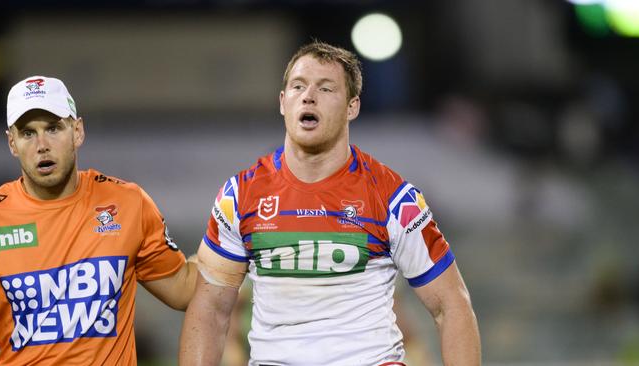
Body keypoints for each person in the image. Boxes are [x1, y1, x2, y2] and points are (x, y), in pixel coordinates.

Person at [179, 41, 481, 365]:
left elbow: (451, 305)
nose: (308, 96)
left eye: (325, 88)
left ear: (352, 107)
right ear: (283, 102)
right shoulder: (239, 196)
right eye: (298, 86)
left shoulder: (393, 198)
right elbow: (210, 309)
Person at [0, 76, 198, 365]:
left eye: (53, 128)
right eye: (28, 133)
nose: (42, 145)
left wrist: (228, 236)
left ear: (77, 131)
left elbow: (184, 290)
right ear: (12, 143)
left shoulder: (127, 203)